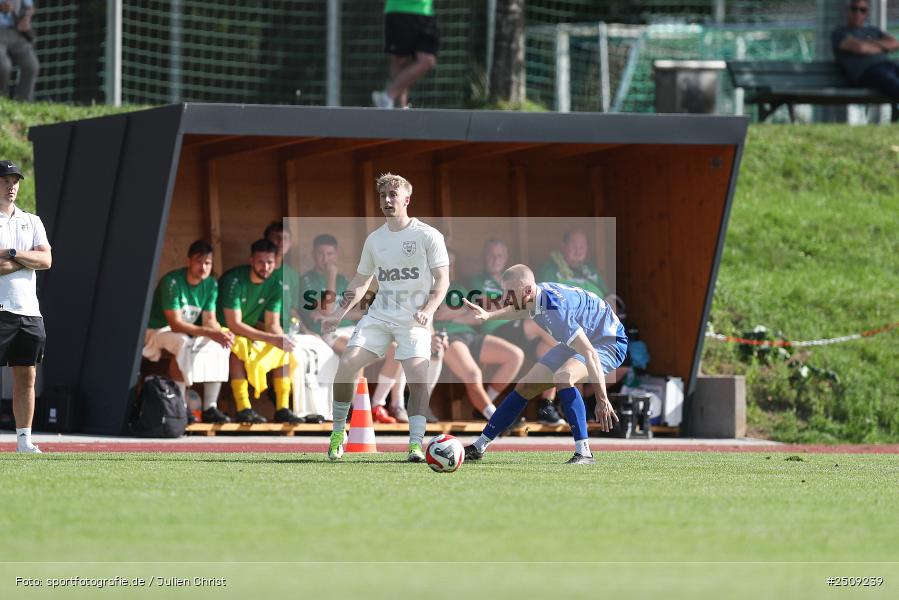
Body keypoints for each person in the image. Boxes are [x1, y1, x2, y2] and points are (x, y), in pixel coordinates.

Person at [321, 173, 449, 462]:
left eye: (393, 195)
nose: (387, 200)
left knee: (418, 376)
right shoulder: (375, 239)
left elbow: (443, 282)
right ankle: (338, 433)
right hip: (379, 316)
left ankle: (415, 444)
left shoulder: (428, 235)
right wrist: (338, 315)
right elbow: (361, 280)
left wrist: (428, 311)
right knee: (347, 363)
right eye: (383, 196)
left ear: (407, 199)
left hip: (414, 321)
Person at [461, 265, 628, 465]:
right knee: (525, 386)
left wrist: (602, 399)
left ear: (528, 291)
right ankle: (479, 446)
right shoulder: (533, 295)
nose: (506, 297)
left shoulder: (555, 308)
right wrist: (488, 315)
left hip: (607, 342)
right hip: (580, 339)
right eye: (505, 291)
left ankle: (584, 453)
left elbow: (590, 353)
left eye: (510, 293)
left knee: (564, 377)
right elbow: (518, 310)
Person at [468, 238, 565, 426]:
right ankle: (572, 352)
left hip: (521, 333)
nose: (495, 259)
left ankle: (547, 406)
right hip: (496, 330)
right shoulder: (477, 280)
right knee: (539, 326)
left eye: (500, 255)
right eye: (491, 255)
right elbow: (485, 303)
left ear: (506, 259)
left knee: (550, 351)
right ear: (483, 258)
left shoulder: (512, 280)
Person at [142, 240, 233, 424]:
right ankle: (180, 407)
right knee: (182, 341)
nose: (203, 267)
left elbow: (209, 321)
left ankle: (210, 407)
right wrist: (210, 332)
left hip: (187, 332)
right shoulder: (172, 281)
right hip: (157, 331)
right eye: (199, 261)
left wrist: (222, 333)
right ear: (188, 261)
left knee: (221, 344)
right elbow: (175, 324)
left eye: (207, 263)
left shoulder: (211, 284)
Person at [434, 248, 524, 420]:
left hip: (470, 335)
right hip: (447, 336)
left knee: (515, 355)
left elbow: (477, 315)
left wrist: (454, 314)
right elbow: (438, 313)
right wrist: (463, 310)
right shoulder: (429, 285)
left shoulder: (459, 286)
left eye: (452, 264)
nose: (450, 267)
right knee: (473, 374)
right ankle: (494, 417)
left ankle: (485, 406)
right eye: (446, 263)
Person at [217, 239, 299, 424]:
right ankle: (243, 408)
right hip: (223, 330)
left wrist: (282, 339)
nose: (266, 267)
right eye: (261, 262)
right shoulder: (234, 280)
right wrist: (272, 338)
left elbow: (272, 324)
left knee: (282, 348)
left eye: (270, 262)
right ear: (251, 260)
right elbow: (234, 324)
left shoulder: (276, 284)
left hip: (252, 331)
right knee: (237, 348)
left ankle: (282, 409)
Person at [0, 160, 50, 453]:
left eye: (15, 181)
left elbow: (46, 260)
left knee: (26, 375)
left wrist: (13, 253)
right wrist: (25, 259)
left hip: (29, 312)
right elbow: (35, 260)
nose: (11, 186)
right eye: (6, 180)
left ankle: (24, 441)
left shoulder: (32, 221)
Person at [371, 0, 438, 109]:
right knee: (401, 60)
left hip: (425, 12)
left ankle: (387, 96)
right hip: (399, 9)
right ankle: (400, 108)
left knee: (427, 60)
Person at [832, 1, 899, 104]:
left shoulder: (873, 30)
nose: (858, 13)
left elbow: (895, 43)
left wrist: (871, 43)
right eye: (854, 9)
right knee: (892, 83)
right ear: (848, 11)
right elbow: (860, 48)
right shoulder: (840, 32)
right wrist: (883, 47)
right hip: (866, 73)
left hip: (888, 66)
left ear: (867, 13)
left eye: (862, 10)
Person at [537, 229, 609, 299]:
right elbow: (546, 300)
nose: (578, 252)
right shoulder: (550, 269)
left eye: (582, 247)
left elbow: (607, 295)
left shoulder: (591, 271)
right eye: (574, 246)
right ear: (563, 246)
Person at [0, 1, 38, 101]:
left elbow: (29, 6)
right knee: (3, 66)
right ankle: (2, 100)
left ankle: (23, 102)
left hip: (16, 31)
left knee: (31, 65)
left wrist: (26, 18)